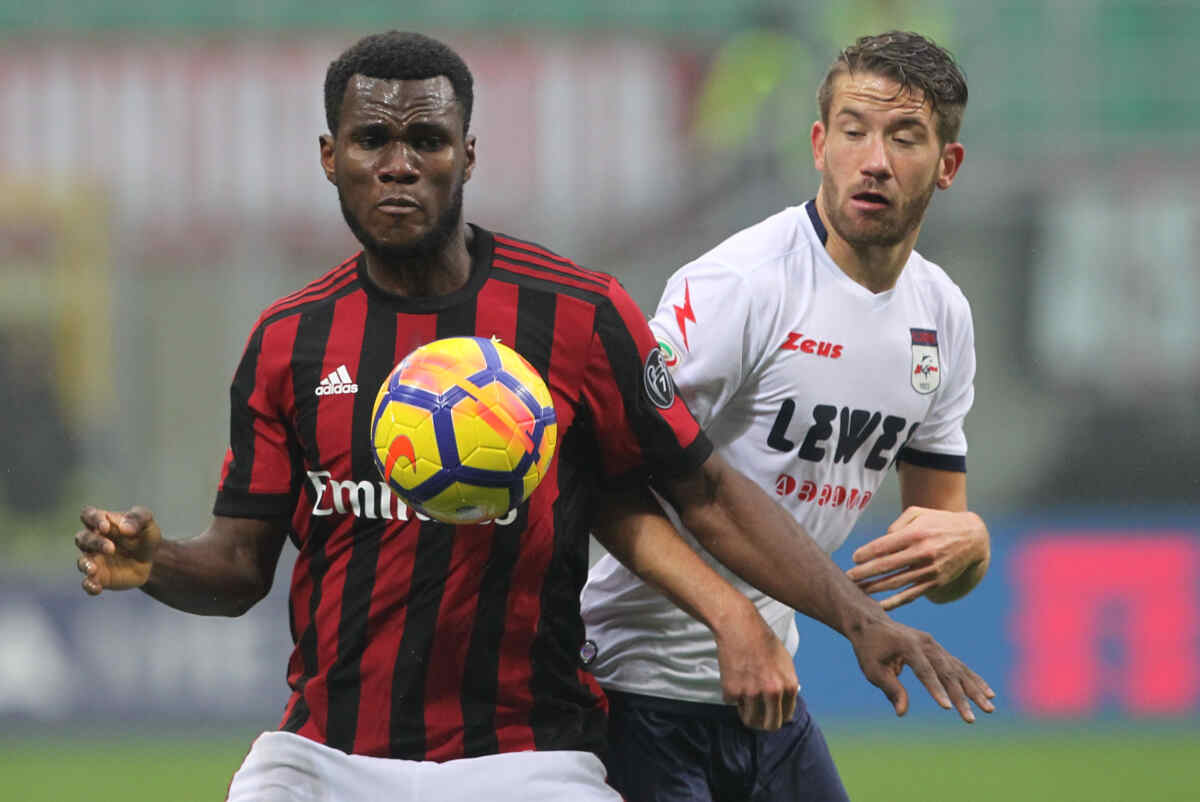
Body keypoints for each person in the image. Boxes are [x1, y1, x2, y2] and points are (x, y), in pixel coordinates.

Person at [73, 30, 992, 802]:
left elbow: (699, 487)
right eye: (370, 142)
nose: (398, 165)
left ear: (466, 154)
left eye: (427, 140)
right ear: (330, 157)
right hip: (323, 757)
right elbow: (237, 571)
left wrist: (847, 614)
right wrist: (155, 564)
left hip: (530, 757)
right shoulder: (289, 343)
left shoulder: (578, 317)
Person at [582, 30, 991, 802]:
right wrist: (735, 619)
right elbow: (609, 484)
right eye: (853, 131)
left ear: (947, 165)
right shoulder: (741, 285)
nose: (874, 160)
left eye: (904, 137)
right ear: (817, 143)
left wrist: (969, 549)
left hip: (768, 689)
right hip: (635, 688)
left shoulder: (943, 315)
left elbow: (935, 547)